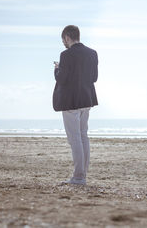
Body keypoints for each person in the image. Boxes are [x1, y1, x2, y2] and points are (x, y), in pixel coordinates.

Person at [53, 25, 98, 185]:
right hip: (87, 99)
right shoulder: (92, 53)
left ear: (67, 37)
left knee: (75, 138)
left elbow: (62, 79)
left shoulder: (66, 55)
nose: (63, 43)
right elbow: (94, 77)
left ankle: (79, 177)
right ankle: (82, 175)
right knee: (83, 136)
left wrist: (57, 69)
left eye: (63, 40)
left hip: (71, 100)